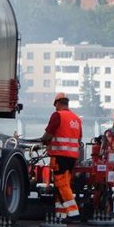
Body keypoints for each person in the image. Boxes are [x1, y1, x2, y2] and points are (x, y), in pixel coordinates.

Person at [40, 92, 83, 220]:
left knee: (61, 184)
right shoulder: (76, 119)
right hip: (72, 157)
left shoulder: (57, 115)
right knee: (65, 184)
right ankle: (60, 214)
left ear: (57, 103)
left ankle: (74, 212)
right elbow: (79, 138)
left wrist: (43, 140)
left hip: (60, 156)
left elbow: (48, 135)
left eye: (55, 105)